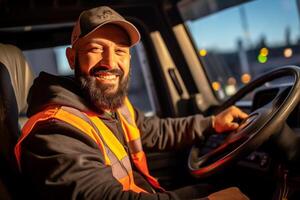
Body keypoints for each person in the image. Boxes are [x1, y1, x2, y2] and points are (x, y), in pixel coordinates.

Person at [14, 6, 249, 200]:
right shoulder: (54, 130)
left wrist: (211, 123)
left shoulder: (112, 105)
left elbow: (153, 131)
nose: (110, 62)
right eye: (96, 49)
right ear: (72, 58)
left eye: (120, 51)